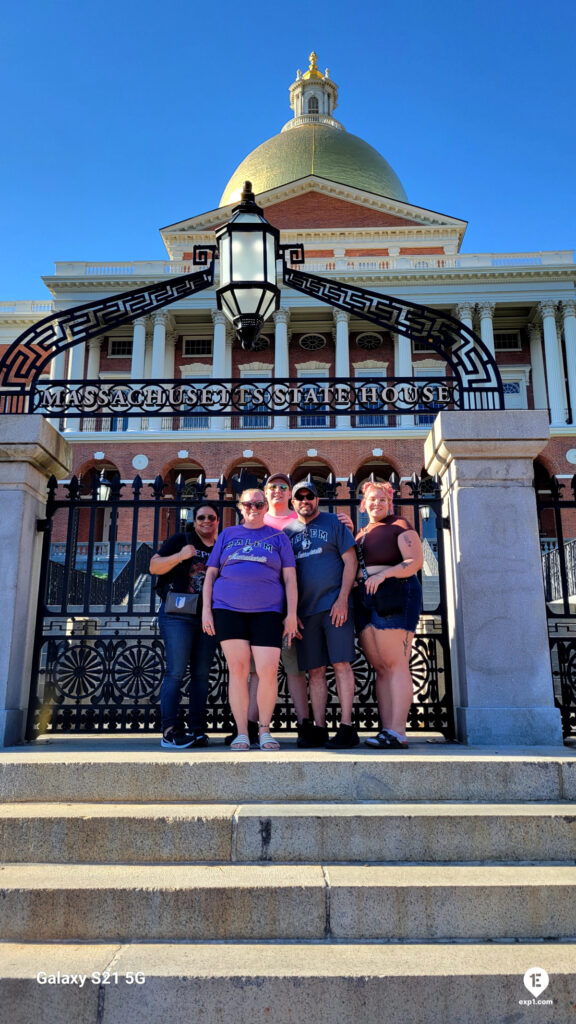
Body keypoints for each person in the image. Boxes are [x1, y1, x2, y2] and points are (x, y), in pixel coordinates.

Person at [202, 488, 298, 751]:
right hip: (228, 609)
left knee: (267, 671)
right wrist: (206, 611)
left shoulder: (279, 537)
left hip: (268, 611)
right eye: (248, 504)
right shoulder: (227, 535)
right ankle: (242, 732)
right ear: (240, 507)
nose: (253, 508)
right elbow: (210, 575)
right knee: (239, 671)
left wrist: (291, 614)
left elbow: (290, 578)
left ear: (266, 506)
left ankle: (264, 730)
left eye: (258, 503)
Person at [284, 480, 359, 749]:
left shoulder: (334, 523)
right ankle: (319, 728)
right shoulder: (287, 532)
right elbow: (285, 575)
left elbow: (351, 560)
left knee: (341, 665)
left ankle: (347, 727)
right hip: (306, 611)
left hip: (333, 607)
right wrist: (292, 612)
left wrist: (342, 599)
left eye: (310, 496)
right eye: (299, 497)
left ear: (317, 499)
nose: (305, 500)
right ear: (293, 503)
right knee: (315, 671)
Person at [354, 480, 423, 749]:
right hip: (365, 598)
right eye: (372, 499)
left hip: (396, 592)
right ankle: (387, 730)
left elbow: (414, 562)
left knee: (396, 663)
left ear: (390, 502)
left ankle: (398, 732)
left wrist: (384, 574)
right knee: (380, 668)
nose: (377, 503)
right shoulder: (361, 533)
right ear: (363, 503)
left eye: (383, 499)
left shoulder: (400, 526)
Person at [149, 503, 220, 749]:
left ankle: (197, 730)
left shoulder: (221, 544)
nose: (206, 521)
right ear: (194, 520)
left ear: (217, 520)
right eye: (201, 517)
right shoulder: (181, 539)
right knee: (176, 672)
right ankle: (169, 730)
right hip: (177, 614)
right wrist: (181, 555)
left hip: (208, 618)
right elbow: (153, 566)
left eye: (211, 517)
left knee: (201, 676)